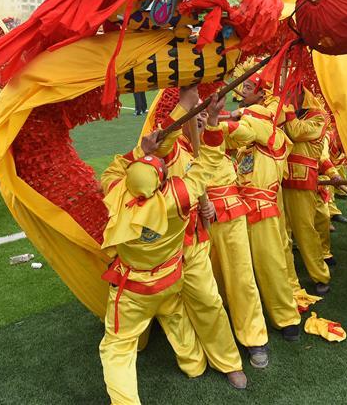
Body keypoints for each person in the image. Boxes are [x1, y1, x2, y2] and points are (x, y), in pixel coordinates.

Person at [98, 91, 246, 404]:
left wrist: (143, 151)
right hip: (177, 253)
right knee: (178, 311)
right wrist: (203, 115)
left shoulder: (118, 191)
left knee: (206, 303)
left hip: (173, 259)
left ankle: (224, 362)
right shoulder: (175, 190)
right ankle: (198, 363)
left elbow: (113, 173)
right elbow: (205, 164)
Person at [220, 74, 301, 342]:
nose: (242, 91)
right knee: (240, 267)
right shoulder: (253, 135)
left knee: (271, 264)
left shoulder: (267, 127)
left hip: (261, 210)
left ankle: (286, 318)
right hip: (241, 209)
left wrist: (219, 119)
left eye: (247, 88)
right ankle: (237, 314)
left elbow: (241, 129)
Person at [282, 90, 342, 296]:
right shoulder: (285, 112)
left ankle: (320, 275)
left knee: (305, 230)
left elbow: (297, 132)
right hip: (276, 178)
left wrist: (286, 109)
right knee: (282, 233)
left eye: (291, 91)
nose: (287, 95)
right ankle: (287, 280)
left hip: (301, 180)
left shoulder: (318, 116)